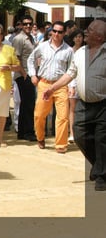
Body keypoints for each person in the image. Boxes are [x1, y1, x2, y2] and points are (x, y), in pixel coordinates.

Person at [42, 20, 106, 191]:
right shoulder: (80, 53)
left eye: (90, 30)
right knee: (79, 135)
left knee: (101, 140)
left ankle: (101, 176)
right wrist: (52, 88)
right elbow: (70, 74)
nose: (86, 31)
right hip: (84, 104)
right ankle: (99, 166)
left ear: (99, 37)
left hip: (103, 106)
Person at [27, 21, 74, 154]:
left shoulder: (69, 50)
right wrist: (32, 75)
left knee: (63, 116)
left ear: (64, 33)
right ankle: (40, 137)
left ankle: (60, 144)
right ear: (51, 31)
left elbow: (72, 70)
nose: (56, 34)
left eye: (60, 32)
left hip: (61, 85)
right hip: (44, 83)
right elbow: (30, 60)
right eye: (54, 31)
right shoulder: (42, 47)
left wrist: (71, 86)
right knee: (39, 114)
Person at [12, 15, 37, 142]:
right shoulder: (19, 38)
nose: (28, 26)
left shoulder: (31, 38)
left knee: (25, 104)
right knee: (29, 103)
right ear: (21, 25)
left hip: (30, 73)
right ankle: (28, 131)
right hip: (24, 75)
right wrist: (24, 74)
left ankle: (22, 131)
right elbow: (16, 58)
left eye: (30, 24)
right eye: (25, 24)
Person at [67, 29, 85, 143]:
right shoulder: (70, 51)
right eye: (76, 36)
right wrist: (71, 85)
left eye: (80, 36)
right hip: (72, 82)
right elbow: (69, 71)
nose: (78, 39)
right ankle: (72, 133)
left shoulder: (85, 51)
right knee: (72, 109)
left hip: (82, 83)